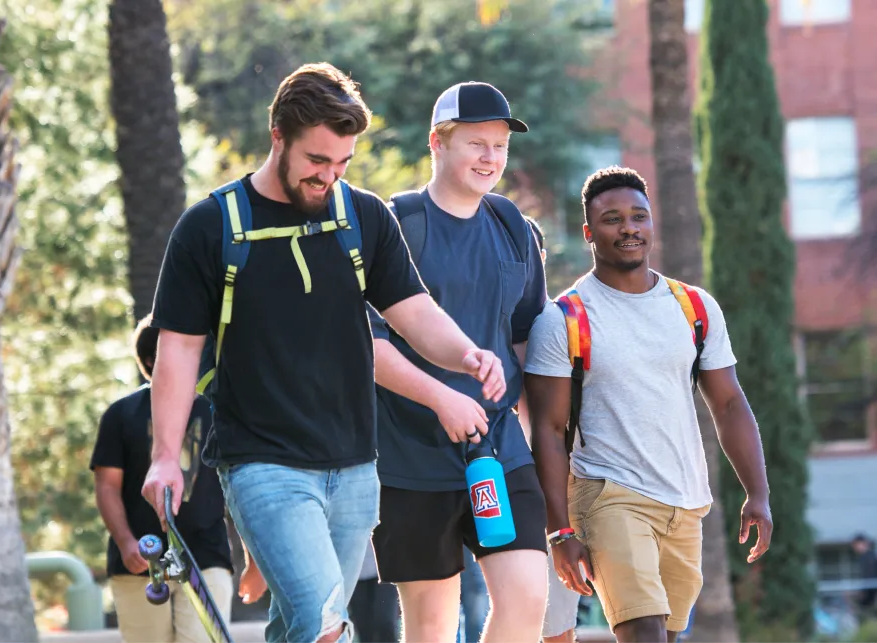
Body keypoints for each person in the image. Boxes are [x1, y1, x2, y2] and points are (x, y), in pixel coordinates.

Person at [142, 63, 508, 643]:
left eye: (342, 163)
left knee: (300, 628)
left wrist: (466, 355)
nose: (329, 177)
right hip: (261, 463)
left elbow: (411, 311)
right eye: (317, 161)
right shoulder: (211, 228)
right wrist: (165, 456)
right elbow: (178, 351)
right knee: (323, 620)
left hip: (356, 466)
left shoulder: (361, 216)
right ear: (278, 137)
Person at [524, 166, 774, 643]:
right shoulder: (565, 320)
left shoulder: (694, 308)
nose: (629, 228)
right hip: (607, 494)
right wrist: (560, 531)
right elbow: (549, 432)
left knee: (666, 636)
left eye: (639, 216)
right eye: (612, 219)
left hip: (685, 502)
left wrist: (757, 493)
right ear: (588, 232)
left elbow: (728, 403)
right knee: (643, 633)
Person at [368, 81, 549, 643]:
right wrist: (440, 397)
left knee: (526, 597)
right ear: (438, 144)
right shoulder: (396, 225)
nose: (491, 158)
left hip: (497, 447)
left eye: (499, 146)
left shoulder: (513, 228)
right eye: (476, 143)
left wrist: (540, 435)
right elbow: (367, 347)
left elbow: (525, 339)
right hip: (408, 453)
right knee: (431, 624)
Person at [91, 315, 234, 643]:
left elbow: (238, 486)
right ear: (153, 360)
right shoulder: (121, 414)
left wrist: (254, 557)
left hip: (207, 557)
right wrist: (127, 543)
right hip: (139, 561)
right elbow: (107, 487)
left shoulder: (219, 412)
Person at [853, 533, 877, 615]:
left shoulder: (870, 556)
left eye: (856, 544)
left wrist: (863, 591)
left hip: (871, 590)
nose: (855, 547)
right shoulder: (864, 557)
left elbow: (870, 575)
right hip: (869, 589)